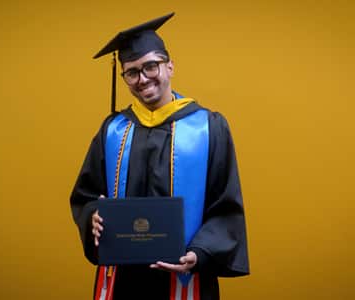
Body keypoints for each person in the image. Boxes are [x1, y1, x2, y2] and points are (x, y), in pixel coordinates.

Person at [70, 12, 249, 300]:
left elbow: (225, 205)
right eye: (132, 72)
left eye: (150, 66)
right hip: (124, 283)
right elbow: (86, 196)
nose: (142, 79)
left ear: (170, 66)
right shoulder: (113, 130)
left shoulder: (208, 127)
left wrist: (199, 253)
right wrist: (93, 216)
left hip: (184, 275)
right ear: (125, 77)